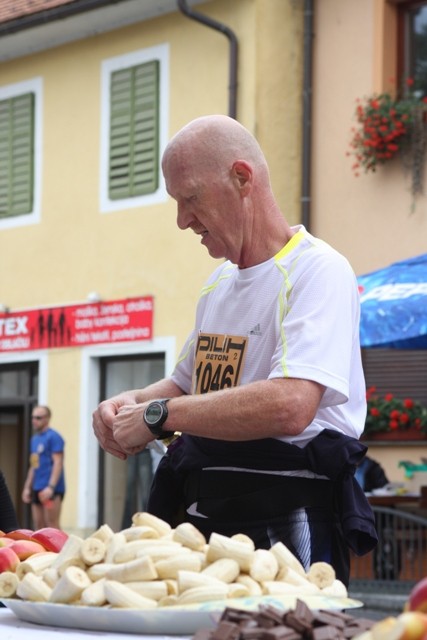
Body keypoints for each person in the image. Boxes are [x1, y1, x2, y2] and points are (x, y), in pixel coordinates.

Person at [92, 114, 377, 586]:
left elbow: (291, 404)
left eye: (190, 198)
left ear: (242, 178)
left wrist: (159, 415)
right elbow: (188, 385)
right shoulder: (219, 284)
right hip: (207, 512)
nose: (182, 220)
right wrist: (128, 404)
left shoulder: (319, 270)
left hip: (289, 509)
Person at [22, 405, 65, 530]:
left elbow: (58, 462)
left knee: (52, 526)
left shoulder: (54, 437)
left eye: (38, 417)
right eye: (33, 417)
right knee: (39, 526)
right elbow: (34, 465)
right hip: (37, 486)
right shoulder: (34, 439)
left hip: (51, 488)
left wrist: (51, 487)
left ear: (47, 418)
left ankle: (63, 550)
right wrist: (27, 487)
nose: (34, 420)